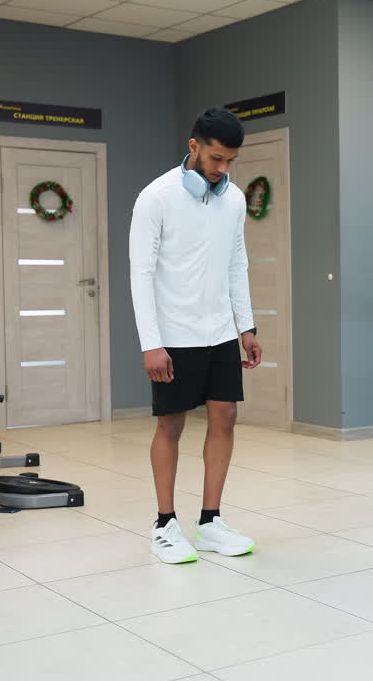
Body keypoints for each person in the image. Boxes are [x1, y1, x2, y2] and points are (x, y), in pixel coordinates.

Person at [129, 108, 262, 563]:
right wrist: (152, 342)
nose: (222, 169)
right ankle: (165, 524)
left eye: (230, 161)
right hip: (174, 334)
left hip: (220, 331)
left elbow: (236, 264)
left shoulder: (235, 199)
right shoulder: (156, 197)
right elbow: (141, 274)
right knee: (172, 424)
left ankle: (209, 521)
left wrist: (246, 326)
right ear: (194, 147)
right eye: (216, 158)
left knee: (224, 417)